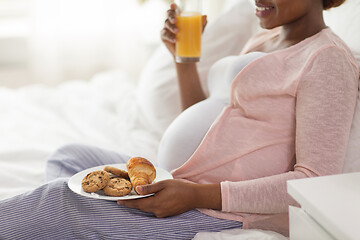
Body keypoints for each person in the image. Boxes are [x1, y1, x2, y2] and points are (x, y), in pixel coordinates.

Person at [0, 0, 358, 239]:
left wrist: (195, 196)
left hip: (216, 209)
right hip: (182, 180)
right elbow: (210, 118)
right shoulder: (265, 37)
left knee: (58, 200)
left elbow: (314, 181)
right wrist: (183, 61)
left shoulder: (327, 60)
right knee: (68, 157)